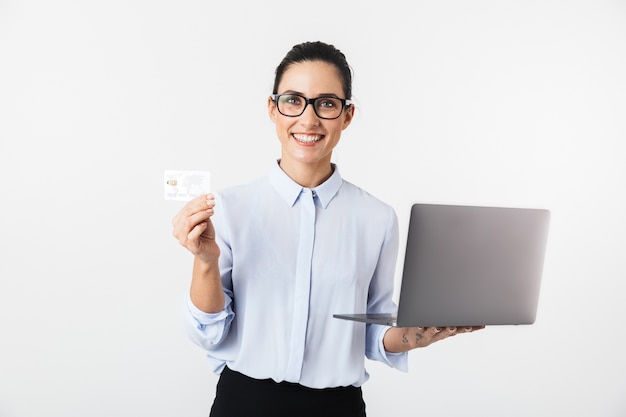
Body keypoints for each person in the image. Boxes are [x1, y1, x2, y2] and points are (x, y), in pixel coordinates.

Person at [172, 40, 483, 417]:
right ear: (273, 109)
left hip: (337, 408)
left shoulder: (377, 218)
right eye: (293, 100)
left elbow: (372, 330)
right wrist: (205, 261)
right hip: (244, 403)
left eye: (327, 103)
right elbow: (208, 332)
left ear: (347, 115)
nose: (308, 119)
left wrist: (423, 333)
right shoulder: (229, 208)